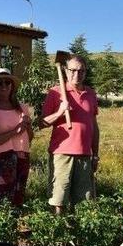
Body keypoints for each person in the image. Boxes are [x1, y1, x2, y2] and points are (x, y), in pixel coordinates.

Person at [41, 55, 100, 214]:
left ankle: (78, 235)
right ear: (66, 71)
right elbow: (42, 123)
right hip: (62, 153)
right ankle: (59, 235)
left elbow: (93, 126)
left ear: (85, 72)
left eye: (81, 71)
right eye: (73, 70)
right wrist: (60, 112)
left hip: (85, 154)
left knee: (84, 201)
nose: (77, 74)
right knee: (59, 199)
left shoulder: (91, 94)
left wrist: (95, 154)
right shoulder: (56, 92)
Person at [0, 68, 33, 206]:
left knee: (18, 200)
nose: (4, 86)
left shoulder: (23, 108)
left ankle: (13, 227)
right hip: (0, 160)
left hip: (22, 157)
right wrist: (15, 131)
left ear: (12, 86)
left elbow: (30, 137)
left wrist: (27, 126)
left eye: (7, 82)